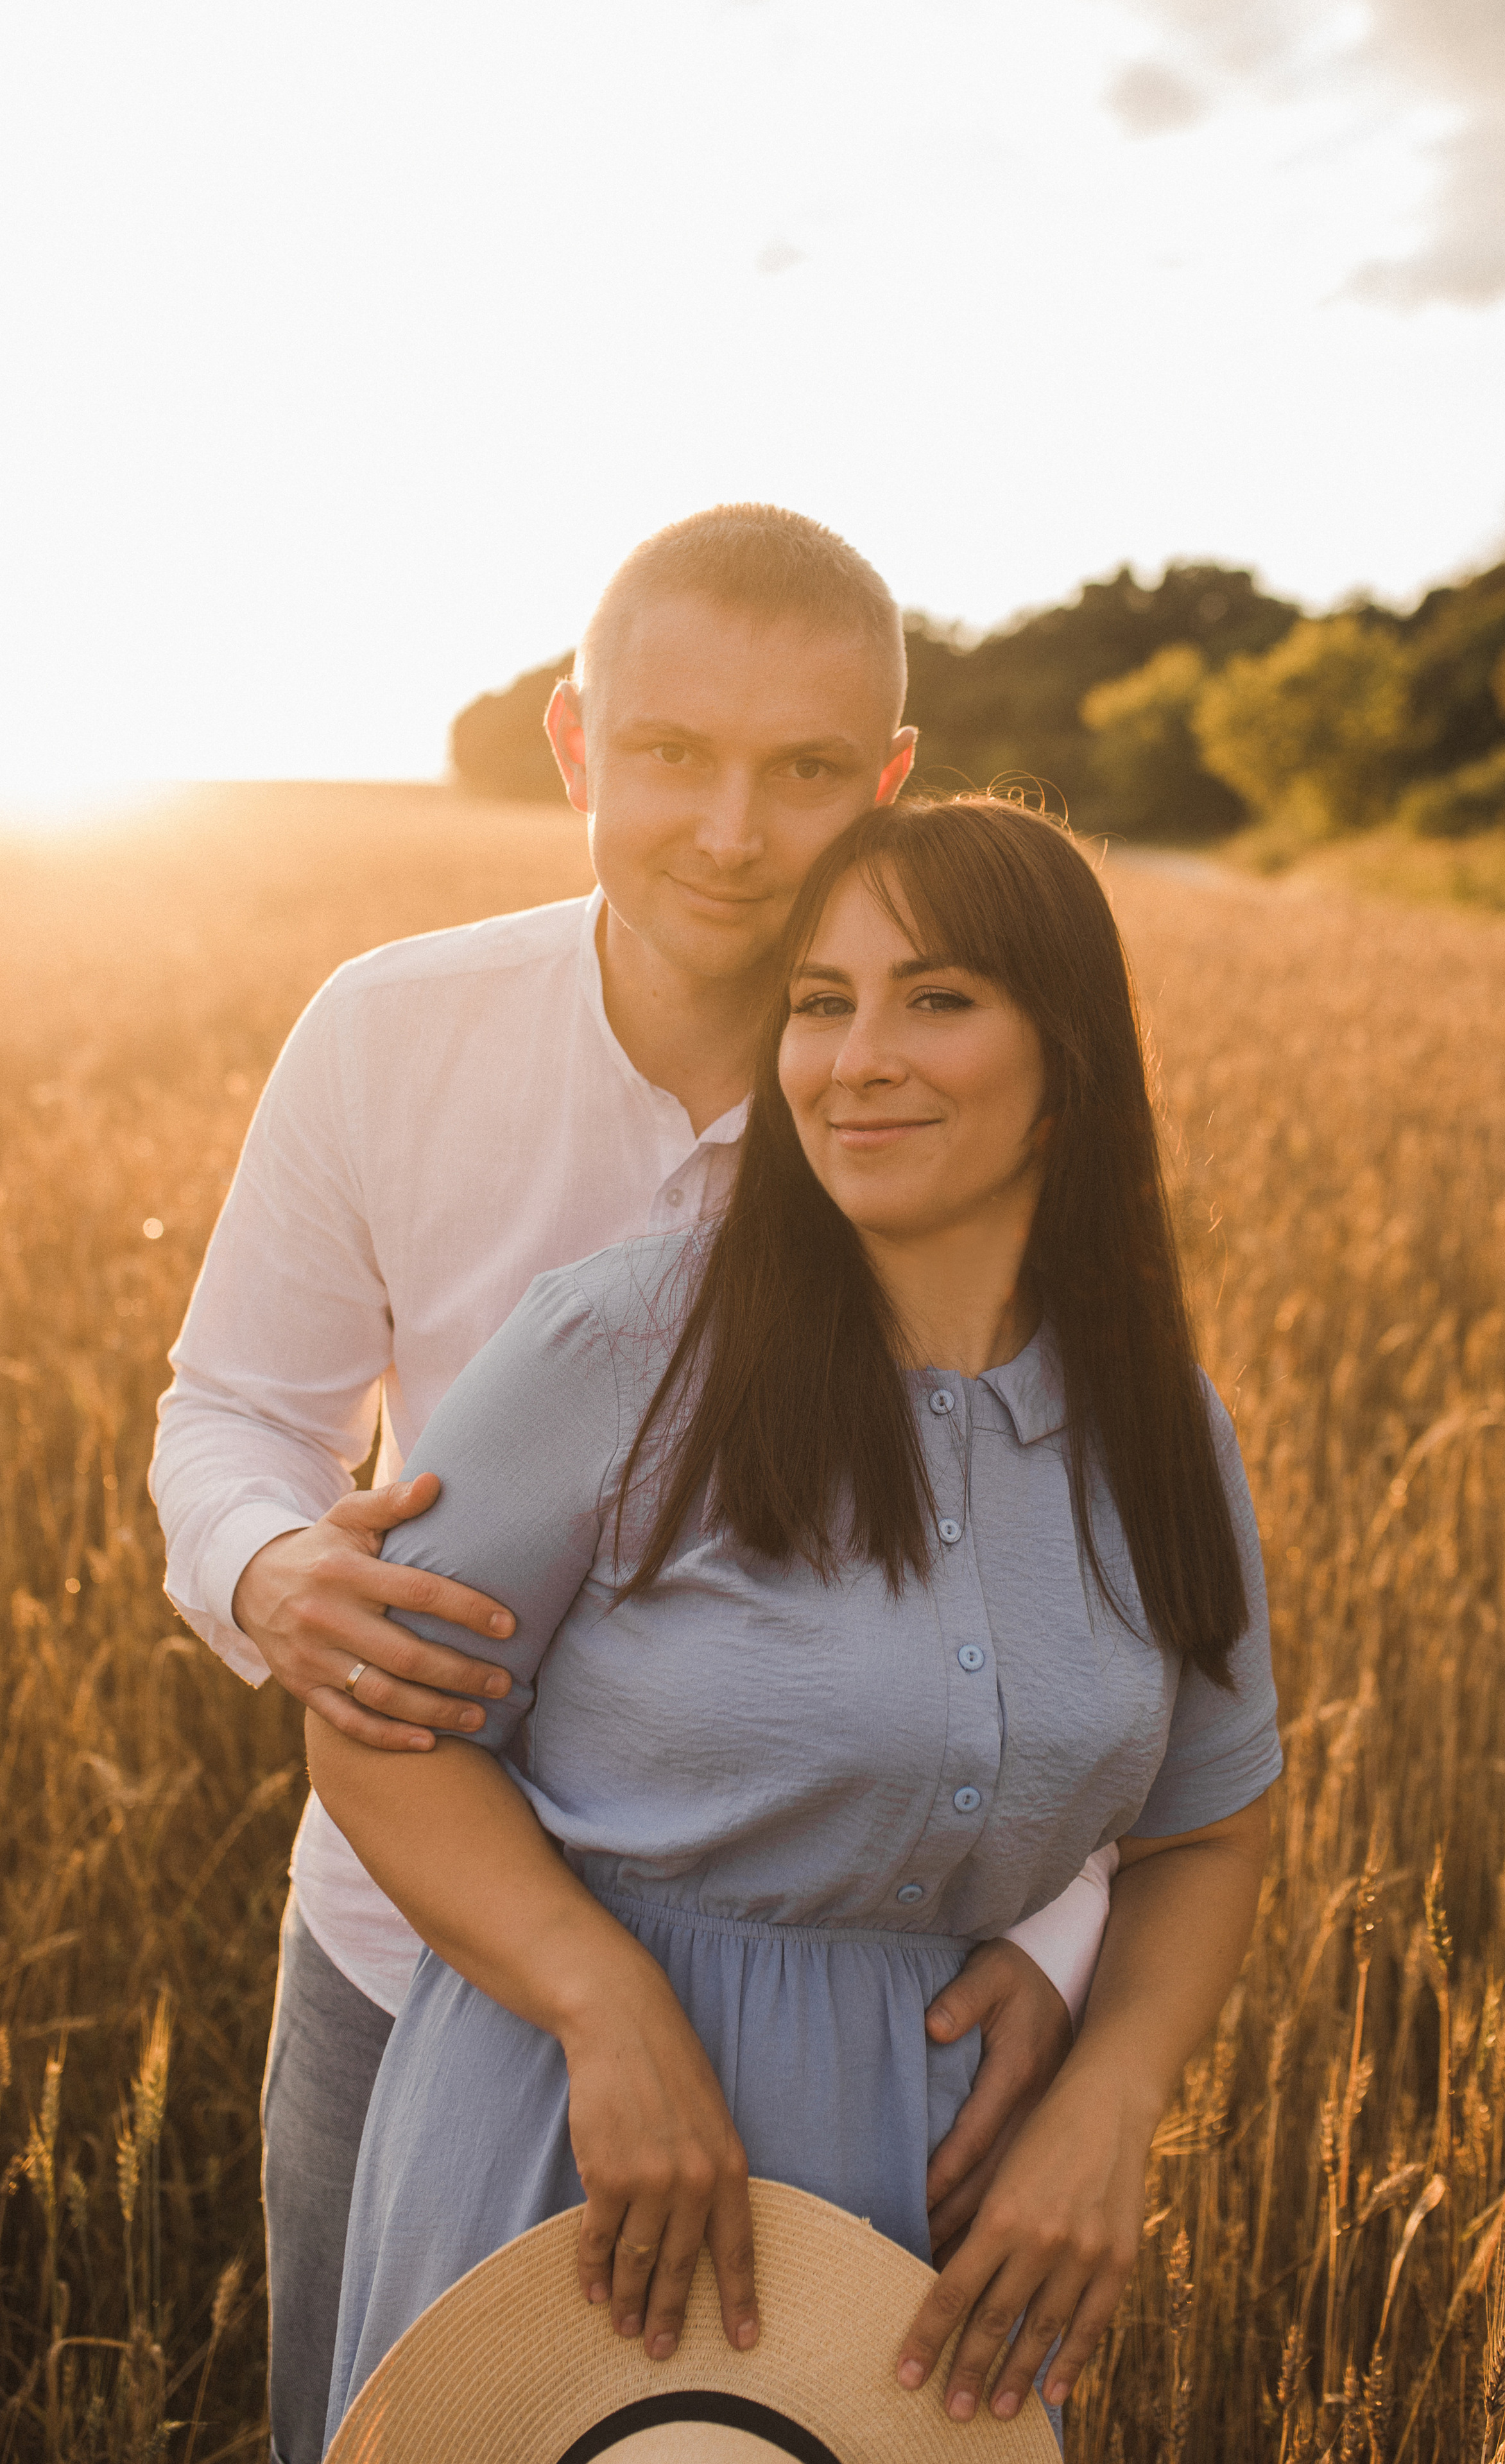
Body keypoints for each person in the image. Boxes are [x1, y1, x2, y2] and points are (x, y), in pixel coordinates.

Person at [149, 508, 1118, 2464]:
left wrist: (1057, 1937)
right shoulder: (388, 1030)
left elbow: (1079, 1565)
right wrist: (270, 1571)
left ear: (890, 782)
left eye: (807, 769)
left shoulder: (934, 1092)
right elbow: (230, 1413)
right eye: (674, 754)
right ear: (577, 744)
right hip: (400, 1957)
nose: (736, 832)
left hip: (863, 2007)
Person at [309, 795, 1281, 2447]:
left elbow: (1211, 1819)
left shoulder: (1161, 1424)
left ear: (1073, 1060)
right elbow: (375, 1721)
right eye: (819, 1003)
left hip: (941, 2212)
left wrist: (1110, 2101)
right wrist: (601, 2006)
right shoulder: (625, 1344)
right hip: (583, 2147)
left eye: (938, 997)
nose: (857, 1057)